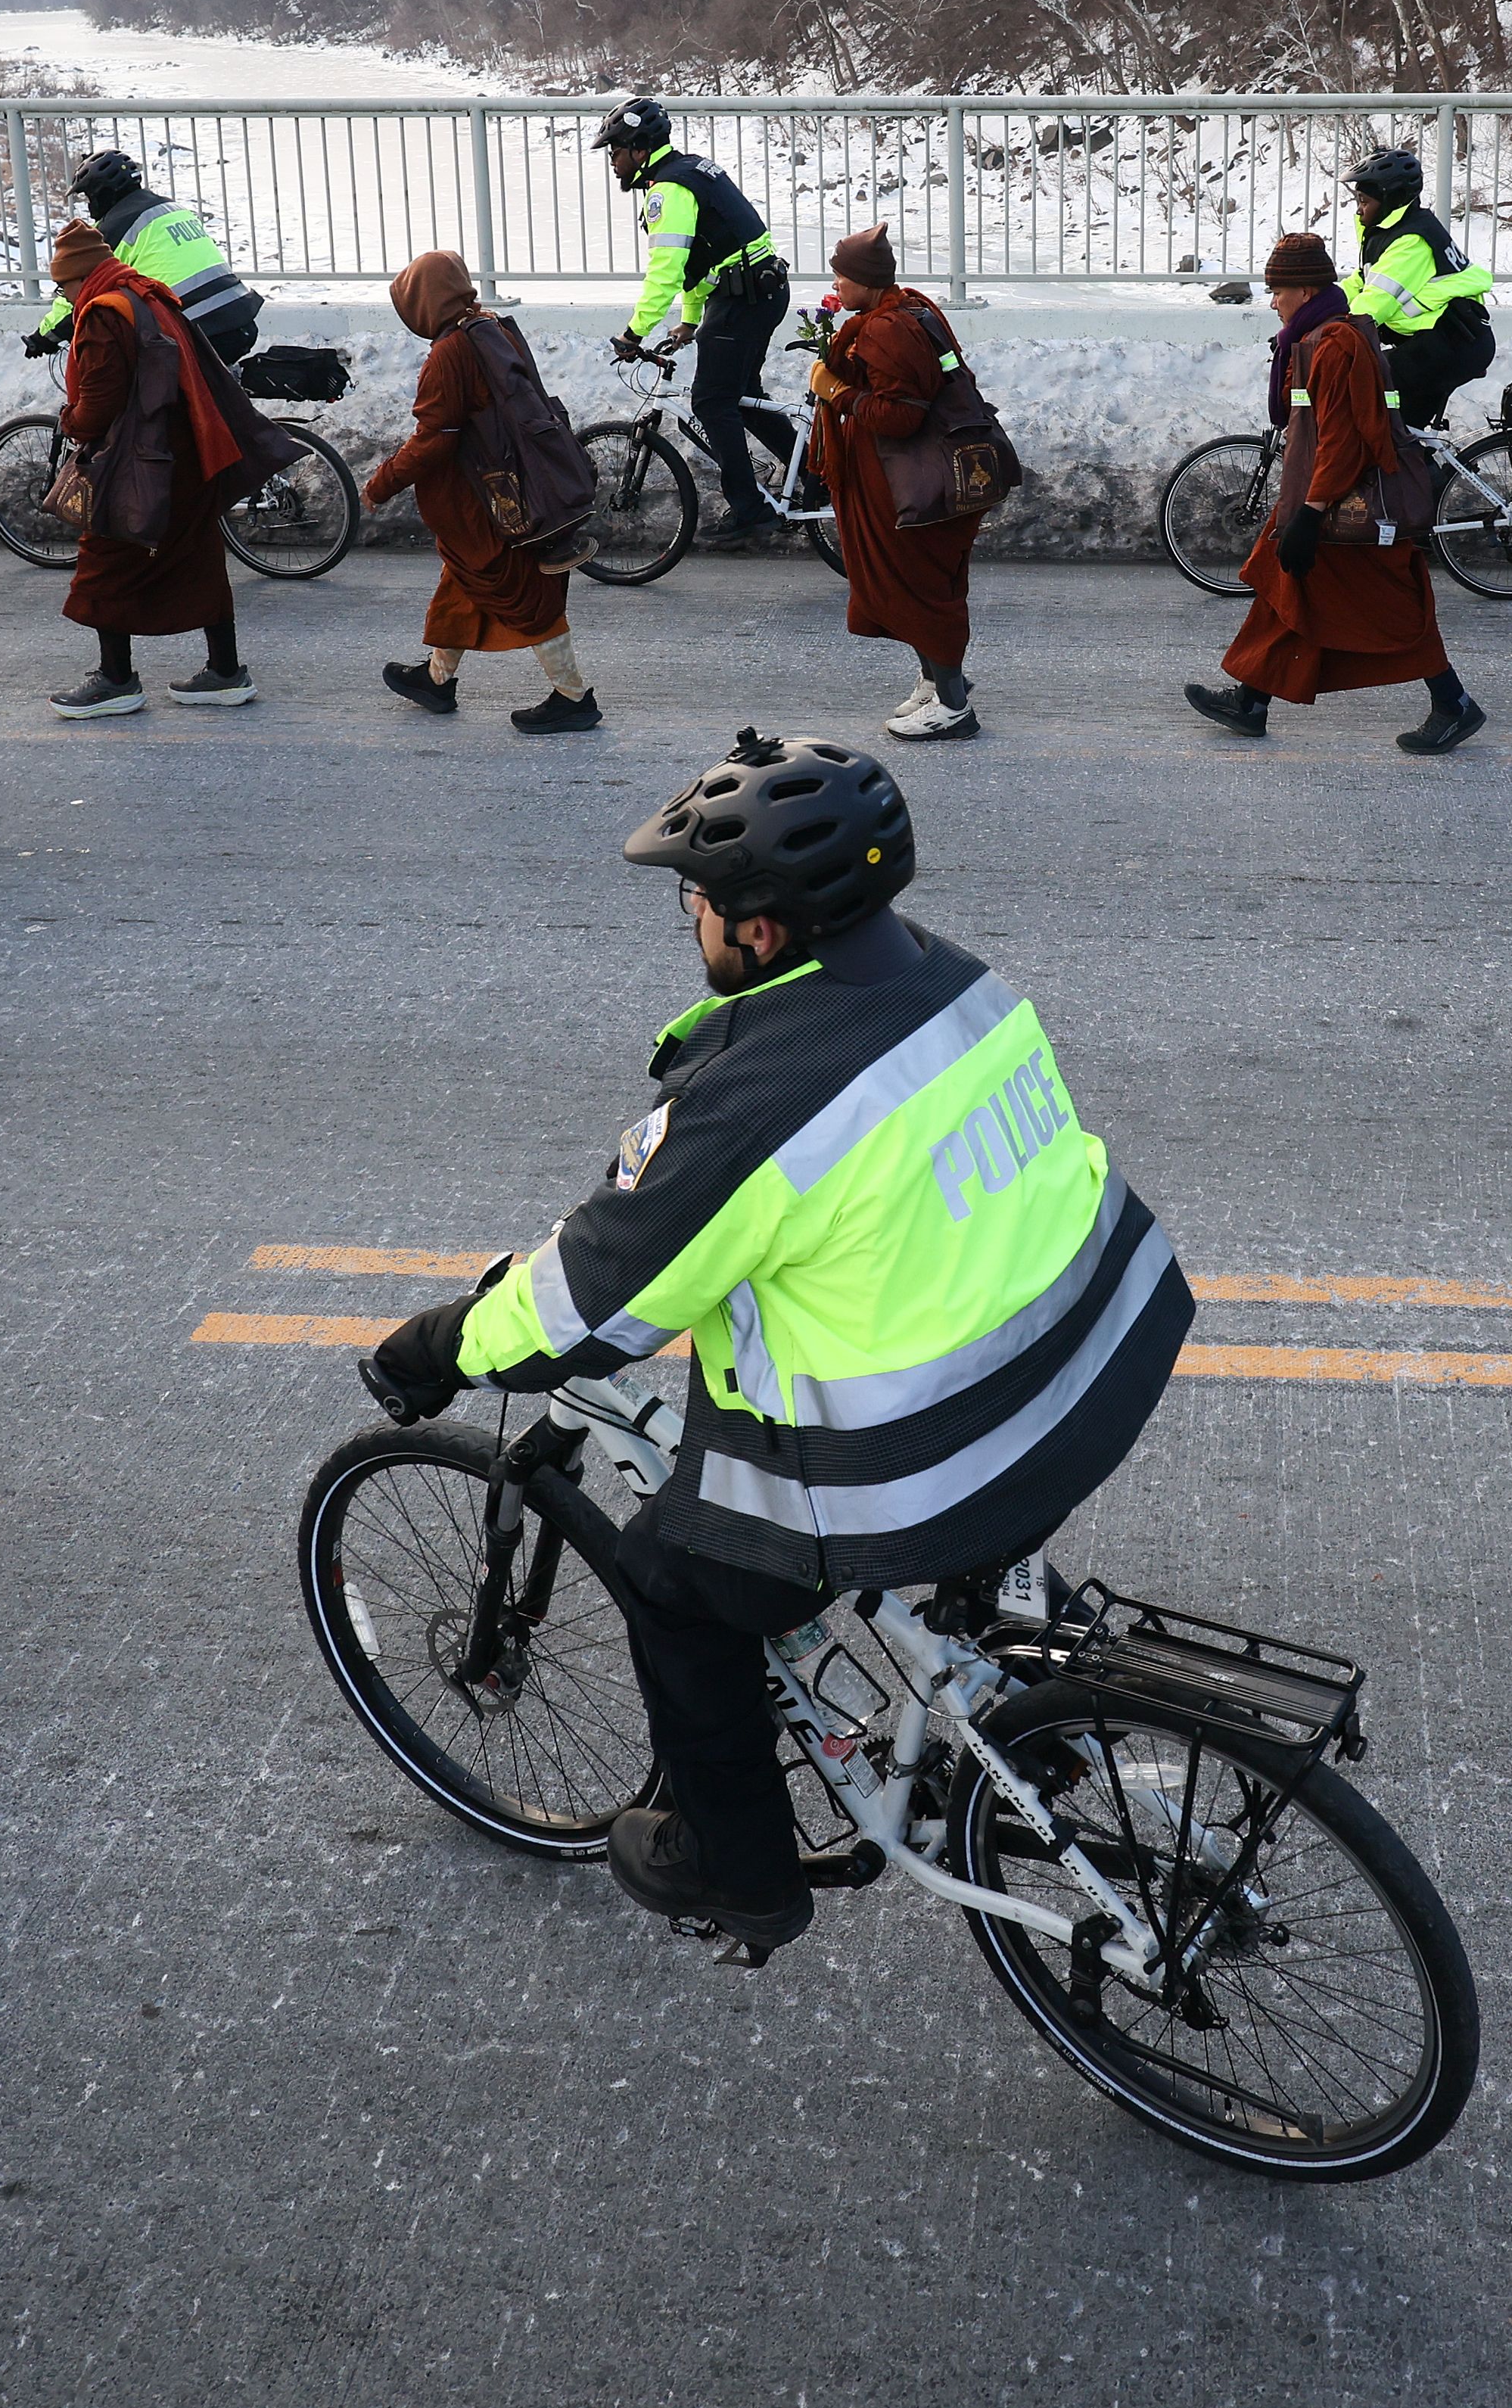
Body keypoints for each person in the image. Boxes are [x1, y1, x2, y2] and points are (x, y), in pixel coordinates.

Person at [356, 730, 1191, 1959]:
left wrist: (436, 1346)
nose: (688, 915)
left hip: (945, 1453)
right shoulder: (958, 984)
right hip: (1090, 1360)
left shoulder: (753, 1097)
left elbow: (587, 1312)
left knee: (673, 1586)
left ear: (759, 932)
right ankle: (1040, 1715)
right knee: (962, 1506)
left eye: (695, 898)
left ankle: (737, 1868)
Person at [1187, 233, 1482, 753]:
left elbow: (1344, 441)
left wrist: (1310, 512)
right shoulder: (1313, 337)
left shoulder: (1335, 345)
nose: (1272, 301)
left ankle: (1453, 702)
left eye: (1277, 290)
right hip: (1313, 497)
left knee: (1392, 612)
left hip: (1342, 506)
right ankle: (1250, 701)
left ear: (1304, 289)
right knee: (1285, 591)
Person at [359, 247, 603, 732]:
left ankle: (573, 698)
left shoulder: (449, 354)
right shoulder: (490, 326)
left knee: (524, 594)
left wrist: (382, 483)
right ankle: (436, 678)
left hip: (485, 503)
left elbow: (434, 439)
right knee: (465, 580)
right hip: (508, 490)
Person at [36, 216, 254, 720]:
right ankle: (226, 672)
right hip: (189, 450)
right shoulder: (145, 295)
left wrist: (71, 422)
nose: (64, 297)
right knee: (198, 557)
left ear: (80, 276)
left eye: (63, 285)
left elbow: (98, 406)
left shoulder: (102, 315)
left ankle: (115, 679)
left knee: (104, 561)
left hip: (139, 464)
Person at [807, 227, 985, 739]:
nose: (836, 284)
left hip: (909, 481)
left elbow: (901, 416)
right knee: (921, 583)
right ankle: (937, 683)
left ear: (865, 280)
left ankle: (953, 707)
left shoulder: (888, 329)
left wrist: (837, 391)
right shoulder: (912, 308)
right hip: (918, 474)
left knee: (918, 588)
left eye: (843, 275)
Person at [598, 94, 792, 546]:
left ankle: (750, 509)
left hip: (744, 299)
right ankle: (818, 470)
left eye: (617, 150)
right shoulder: (689, 169)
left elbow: (665, 271)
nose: (613, 161)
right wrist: (689, 322)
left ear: (641, 148)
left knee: (709, 400)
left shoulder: (668, 191)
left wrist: (634, 333)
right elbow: (701, 261)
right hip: (760, 291)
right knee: (741, 396)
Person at [1340, 142, 1500, 434]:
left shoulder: (1412, 242)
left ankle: (1410, 476)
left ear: (1391, 200)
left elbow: (1375, 302)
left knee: (1371, 382)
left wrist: (1327, 334)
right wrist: (1317, 309)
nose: (1360, 210)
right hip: (1439, 341)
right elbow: (1361, 284)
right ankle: (1412, 473)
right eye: (1358, 201)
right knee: (1397, 427)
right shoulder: (1389, 232)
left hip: (1456, 345)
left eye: (1365, 201)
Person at [59, 148, 262, 359]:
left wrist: (45, 336)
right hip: (240, 318)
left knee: (133, 371)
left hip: (200, 331)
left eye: (89, 197)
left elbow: (79, 291)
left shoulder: (112, 228)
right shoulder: (170, 208)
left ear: (102, 192)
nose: (90, 205)